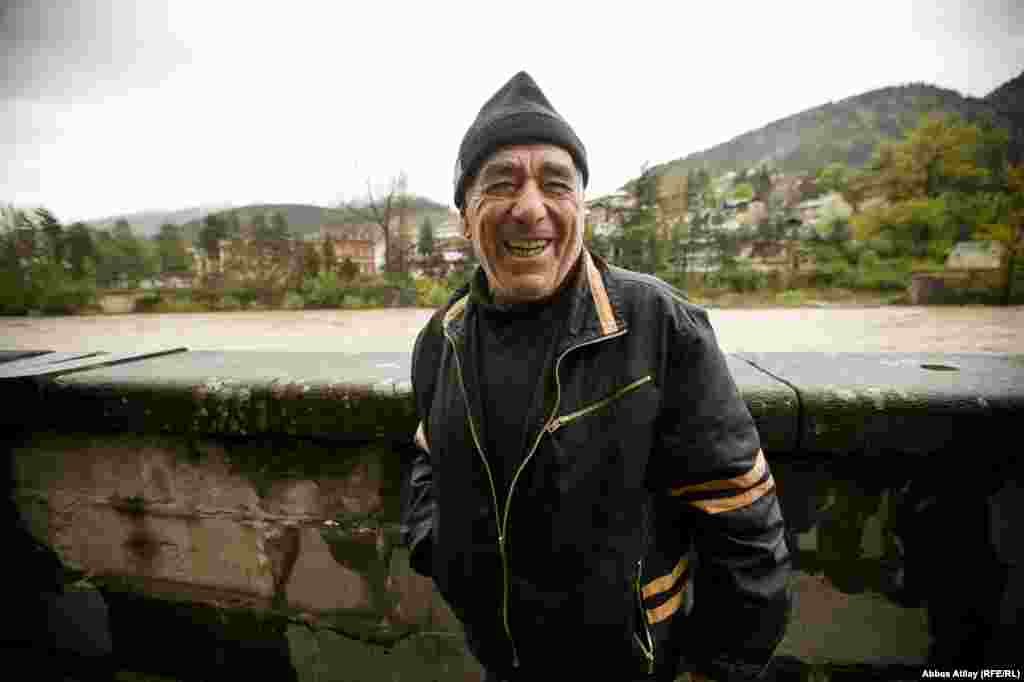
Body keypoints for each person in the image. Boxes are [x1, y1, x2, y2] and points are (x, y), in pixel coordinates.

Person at [400, 71, 791, 682]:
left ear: (582, 207)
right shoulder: (440, 339)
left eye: (556, 184)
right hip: (500, 663)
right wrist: (439, 546)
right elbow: (428, 452)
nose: (530, 209)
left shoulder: (657, 326)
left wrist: (720, 671)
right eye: (500, 184)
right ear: (463, 215)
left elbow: (743, 524)